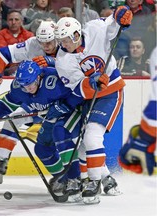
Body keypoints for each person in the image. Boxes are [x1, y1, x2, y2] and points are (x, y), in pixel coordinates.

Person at [0, 60, 84, 202]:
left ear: (38, 77)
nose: (28, 88)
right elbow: (6, 104)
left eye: (30, 83)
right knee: (40, 147)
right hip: (44, 112)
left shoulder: (54, 80)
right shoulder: (20, 87)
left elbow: (79, 91)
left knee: (64, 136)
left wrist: (64, 105)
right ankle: (62, 178)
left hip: (68, 112)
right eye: (24, 85)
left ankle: (88, 178)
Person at [53, 5, 133, 204]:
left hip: (111, 91)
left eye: (65, 40)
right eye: (60, 40)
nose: (62, 44)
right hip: (90, 96)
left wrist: (120, 13)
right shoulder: (62, 60)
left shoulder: (94, 29)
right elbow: (76, 88)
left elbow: (112, 25)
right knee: (83, 145)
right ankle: (107, 179)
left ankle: (93, 182)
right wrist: (90, 82)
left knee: (92, 135)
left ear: (76, 35)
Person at [0, 20, 58, 97]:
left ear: (57, 39)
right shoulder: (33, 44)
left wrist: (55, 62)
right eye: (41, 42)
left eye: (48, 42)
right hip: (36, 90)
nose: (45, 46)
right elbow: (2, 54)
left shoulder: (66, 44)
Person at [119, 46, 156, 176]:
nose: (134, 49)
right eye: (132, 47)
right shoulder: (124, 61)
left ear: (143, 50)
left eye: (138, 47)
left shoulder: (151, 60)